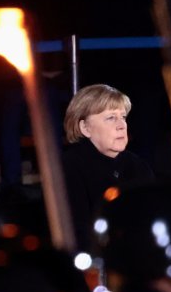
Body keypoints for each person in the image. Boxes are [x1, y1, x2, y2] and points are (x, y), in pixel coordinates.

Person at [62, 84, 153, 251]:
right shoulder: (69, 166)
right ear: (85, 128)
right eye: (111, 118)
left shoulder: (138, 166)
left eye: (123, 117)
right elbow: (77, 233)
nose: (121, 125)